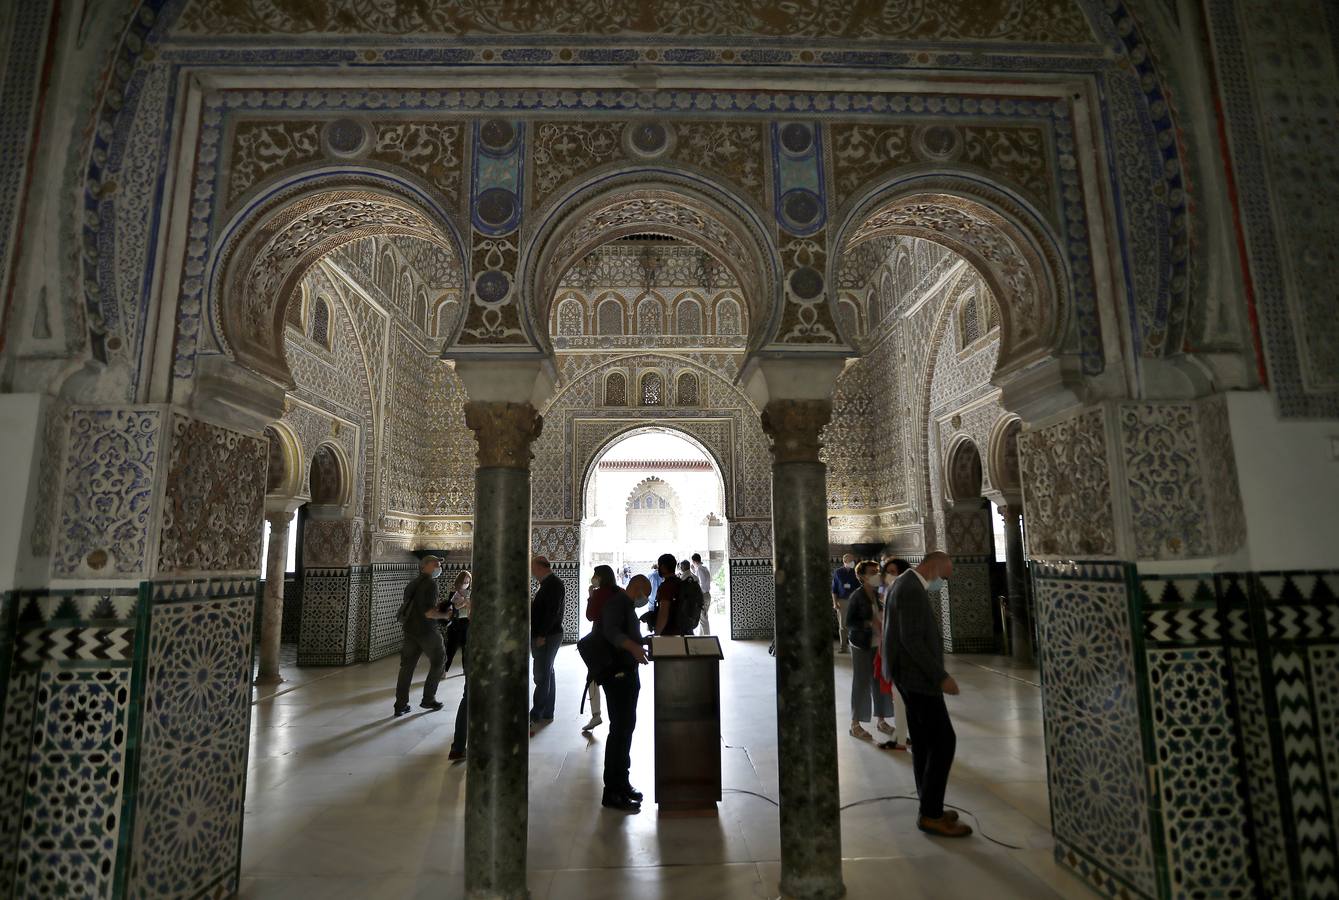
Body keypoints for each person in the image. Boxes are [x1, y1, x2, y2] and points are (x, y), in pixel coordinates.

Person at [882, 551, 971, 837]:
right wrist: (940, 676)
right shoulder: (910, 588)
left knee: (923, 741)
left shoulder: (905, 583)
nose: (943, 582)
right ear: (933, 567)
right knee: (944, 741)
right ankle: (931, 814)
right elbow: (911, 639)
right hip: (917, 678)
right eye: (944, 576)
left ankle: (928, 805)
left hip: (909, 676)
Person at [600, 572, 651, 811]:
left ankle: (622, 782)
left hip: (627, 673)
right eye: (645, 594)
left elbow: (629, 634)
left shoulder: (627, 605)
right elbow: (610, 632)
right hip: (617, 675)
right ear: (637, 587)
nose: (645, 599)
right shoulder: (617, 603)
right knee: (619, 730)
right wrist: (632, 646)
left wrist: (644, 643)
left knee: (626, 728)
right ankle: (612, 792)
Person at [393, 555, 451, 716]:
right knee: (440, 661)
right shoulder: (431, 584)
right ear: (424, 566)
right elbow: (429, 613)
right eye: (435, 564)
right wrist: (447, 615)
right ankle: (428, 699)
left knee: (406, 668)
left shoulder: (412, 583)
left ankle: (400, 705)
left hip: (410, 630)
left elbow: (415, 606)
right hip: (427, 631)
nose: (439, 568)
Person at [846, 560, 896, 740]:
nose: (876, 574)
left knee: (880, 681)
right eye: (872, 572)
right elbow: (849, 623)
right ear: (861, 576)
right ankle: (855, 724)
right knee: (861, 683)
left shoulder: (878, 593)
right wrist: (869, 623)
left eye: (877, 571)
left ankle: (881, 720)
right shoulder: (857, 597)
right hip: (862, 644)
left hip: (879, 644)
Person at [875, 558, 913, 751]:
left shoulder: (905, 593)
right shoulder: (889, 591)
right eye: (887, 571)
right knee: (897, 698)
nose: (890, 574)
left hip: (901, 653)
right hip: (891, 651)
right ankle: (899, 738)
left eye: (893, 571)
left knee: (902, 698)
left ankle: (901, 739)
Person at [530, 556, 565, 725]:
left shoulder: (553, 584)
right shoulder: (547, 584)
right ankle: (547, 711)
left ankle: (537, 711)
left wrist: (542, 635)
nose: (531, 571)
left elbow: (552, 612)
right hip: (548, 634)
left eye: (532, 567)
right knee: (547, 672)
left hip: (548, 636)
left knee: (542, 673)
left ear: (539, 567)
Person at [582, 570, 619, 732]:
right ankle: (615, 715)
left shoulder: (598, 594)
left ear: (601, 578)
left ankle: (596, 714)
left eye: (596, 575)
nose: (593, 578)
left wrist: (591, 595)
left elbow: (590, 616)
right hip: (617, 641)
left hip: (599, 640)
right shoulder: (619, 592)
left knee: (593, 676)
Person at [443, 569, 472, 674]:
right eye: (464, 582)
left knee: (466, 647)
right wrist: (463, 603)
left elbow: (470, 609)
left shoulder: (469, 593)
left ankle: (465, 669)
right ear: (459, 582)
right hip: (455, 624)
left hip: (466, 622)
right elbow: (452, 608)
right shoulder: (453, 593)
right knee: (451, 648)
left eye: (468, 582)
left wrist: (468, 604)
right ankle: (444, 670)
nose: (466, 584)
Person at [831, 553, 859, 654]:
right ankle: (843, 647)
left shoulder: (856, 572)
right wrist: (835, 602)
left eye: (853, 560)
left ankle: (854, 646)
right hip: (842, 600)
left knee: (854, 624)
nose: (852, 562)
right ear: (845, 561)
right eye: (850, 560)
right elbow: (834, 589)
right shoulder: (838, 572)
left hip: (854, 600)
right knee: (843, 625)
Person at [652, 553, 685, 636]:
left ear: (663, 567)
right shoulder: (680, 583)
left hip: (670, 633)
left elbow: (663, 613)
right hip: (683, 631)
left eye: (659, 566)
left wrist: (656, 635)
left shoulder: (666, 586)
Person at [690, 553, 712, 636]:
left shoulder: (699, 569)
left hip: (703, 596)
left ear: (694, 561)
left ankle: (707, 637)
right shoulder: (704, 568)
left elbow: (701, 584)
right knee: (703, 617)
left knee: (703, 619)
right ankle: (702, 636)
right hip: (707, 595)